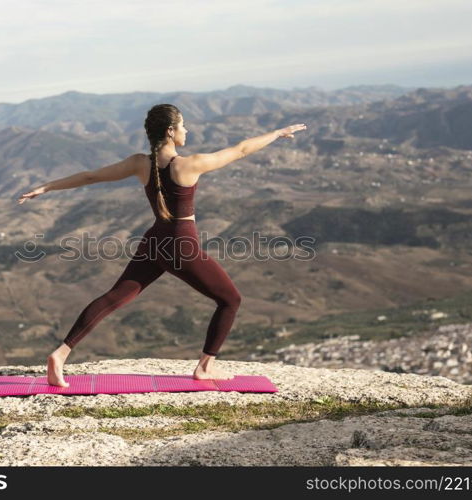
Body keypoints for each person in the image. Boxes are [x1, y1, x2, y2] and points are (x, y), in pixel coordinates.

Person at [18, 104, 306, 386]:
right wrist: (278, 132)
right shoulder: (189, 164)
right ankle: (206, 367)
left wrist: (47, 187)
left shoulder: (139, 163)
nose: (187, 130)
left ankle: (61, 353)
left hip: (155, 240)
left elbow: (91, 176)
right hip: (181, 245)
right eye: (183, 125)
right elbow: (241, 149)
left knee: (115, 296)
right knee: (231, 300)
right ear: (170, 131)